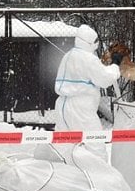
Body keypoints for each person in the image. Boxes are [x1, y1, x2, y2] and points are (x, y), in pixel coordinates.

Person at [51, 24, 122, 160]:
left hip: (62, 106)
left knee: (65, 146)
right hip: (81, 109)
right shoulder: (88, 59)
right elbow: (104, 79)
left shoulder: (68, 56)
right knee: (94, 145)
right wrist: (115, 67)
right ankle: (101, 178)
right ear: (90, 42)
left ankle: (67, 176)